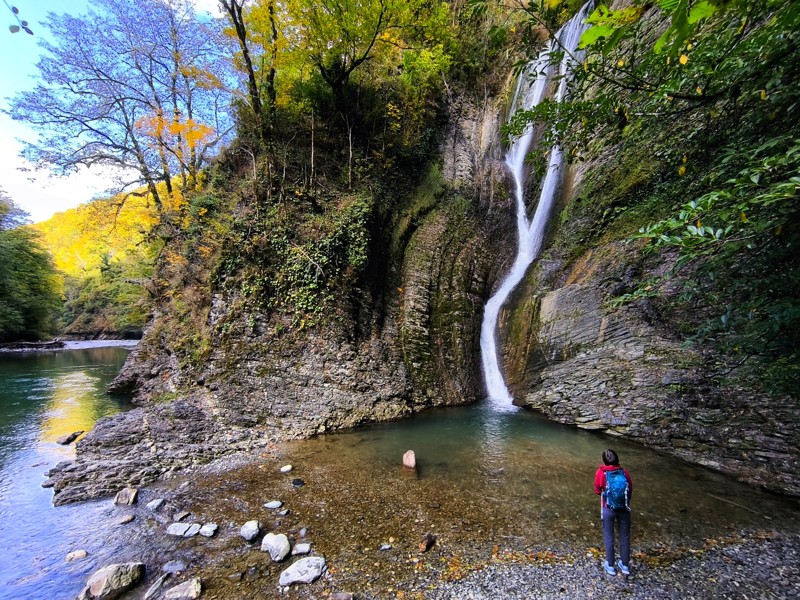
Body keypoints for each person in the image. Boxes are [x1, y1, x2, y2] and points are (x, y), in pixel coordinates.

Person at [593, 448, 633, 576]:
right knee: (625, 536)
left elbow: (597, 489)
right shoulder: (624, 472)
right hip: (624, 509)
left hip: (608, 508)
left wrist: (605, 495)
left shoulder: (601, 472)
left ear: (604, 461)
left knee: (609, 536)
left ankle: (610, 566)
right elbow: (630, 489)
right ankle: (625, 565)